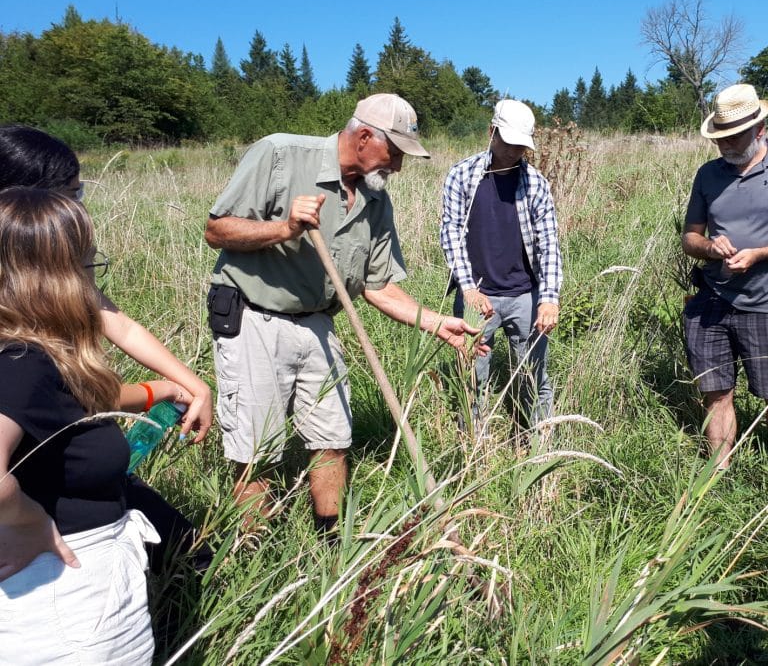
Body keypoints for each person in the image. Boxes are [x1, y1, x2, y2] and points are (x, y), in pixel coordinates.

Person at [205, 93, 484, 534]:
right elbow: (216, 229)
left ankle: (331, 542)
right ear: (364, 136)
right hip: (254, 316)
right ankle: (250, 551)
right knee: (257, 447)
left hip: (318, 322)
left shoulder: (376, 202)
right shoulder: (280, 155)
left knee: (332, 438)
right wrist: (286, 228)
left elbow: (378, 285)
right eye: (393, 153)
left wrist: (435, 322)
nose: (397, 166)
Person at [0, 124, 213, 577]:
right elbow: (65, 397)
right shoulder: (20, 347)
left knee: (184, 555)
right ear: (33, 207)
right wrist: (157, 391)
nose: (83, 207)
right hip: (34, 483)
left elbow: (113, 318)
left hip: (67, 462)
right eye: (73, 195)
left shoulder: (44, 271)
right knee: (184, 560)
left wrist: (192, 385)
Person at [0, 187, 194, 663]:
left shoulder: (38, 356)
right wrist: (28, 524)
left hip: (81, 592)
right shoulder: (22, 365)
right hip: (65, 603)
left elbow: (70, 404)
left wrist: (162, 389)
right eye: (88, 265)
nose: (94, 282)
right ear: (58, 279)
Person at [682, 83, 768, 468]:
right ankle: (718, 474)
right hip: (711, 298)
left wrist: (759, 254)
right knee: (716, 391)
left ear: (760, 129)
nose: (724, 145)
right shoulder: (708, 175)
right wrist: (710, 248)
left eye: (733, 137)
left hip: (766, 301)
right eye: (720, 138)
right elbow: (690, 237)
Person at [439, 99, 562, 430]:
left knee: (534, 377)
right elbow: (450, 235)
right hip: (477, 296)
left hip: (525, 295)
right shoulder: (462, 176)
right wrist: (468, 290)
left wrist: (549, 297)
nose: (514, 151)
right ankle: (471, 449)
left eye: (521, 145)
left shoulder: (535, 183)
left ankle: (538, 444)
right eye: (508, 143)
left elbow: (549, 242)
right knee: (472, 378)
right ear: (491, 132)